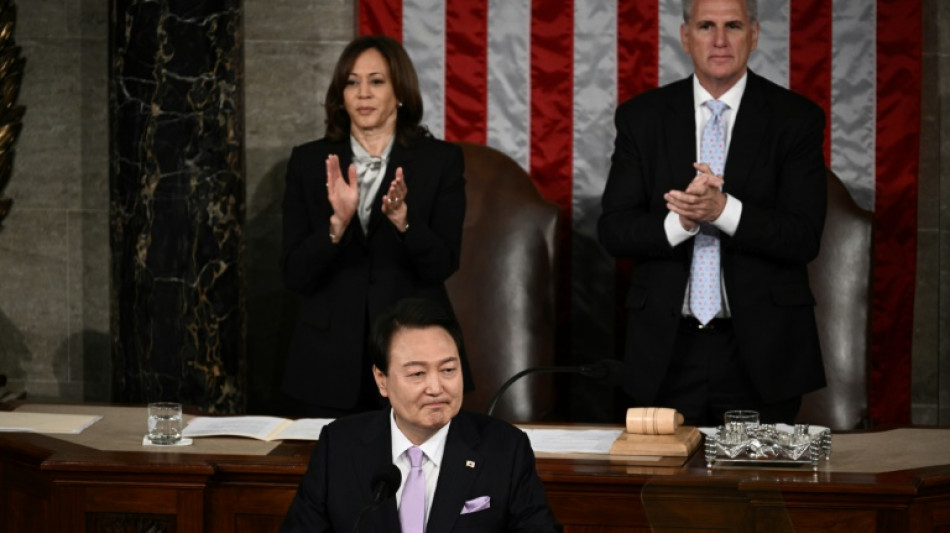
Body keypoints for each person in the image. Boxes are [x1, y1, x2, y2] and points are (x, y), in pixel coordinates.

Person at [598, 0, 827, 426]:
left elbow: (803, 236)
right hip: (666, 352)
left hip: (760, 353)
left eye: (733, 26)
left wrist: (722, 211)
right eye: (706, 26)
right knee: (660, 491)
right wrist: (682, 221)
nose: (720, 40)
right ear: (686, 37)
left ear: (754, 35)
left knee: (757, 492)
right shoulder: (642, 118)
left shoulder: (796, 119)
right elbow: (614, 230)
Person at [281, 36, 472, 417]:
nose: (363, 93)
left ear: (400, 91)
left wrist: (404, 222)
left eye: (376, 81)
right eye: (352, 82)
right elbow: (295, 274)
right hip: (327, 363)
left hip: (413, 358)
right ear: (340, 94)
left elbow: (441, 265)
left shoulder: (440, 162)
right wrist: (337, 224)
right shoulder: (308, 161)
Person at [280, 298, 562, 533]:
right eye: (417, 373)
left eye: (448, 370)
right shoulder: (339, 445)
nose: (436, 388)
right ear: (382, 379)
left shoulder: (505, 449)